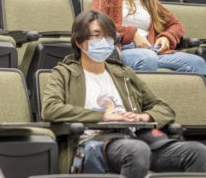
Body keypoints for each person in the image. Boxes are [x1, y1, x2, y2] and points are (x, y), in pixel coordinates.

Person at [42, 10, 206, 177]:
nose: (104, 42)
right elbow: (50, 109)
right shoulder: (64, 73)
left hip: (135, 138)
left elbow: (162, 107)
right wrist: (104, 116)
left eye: (108, 37)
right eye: (97, 36)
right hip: (90, 144)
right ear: (78, 41)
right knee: (136, 151)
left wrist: (146, 117)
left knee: (197, 152)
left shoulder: (123, 73)